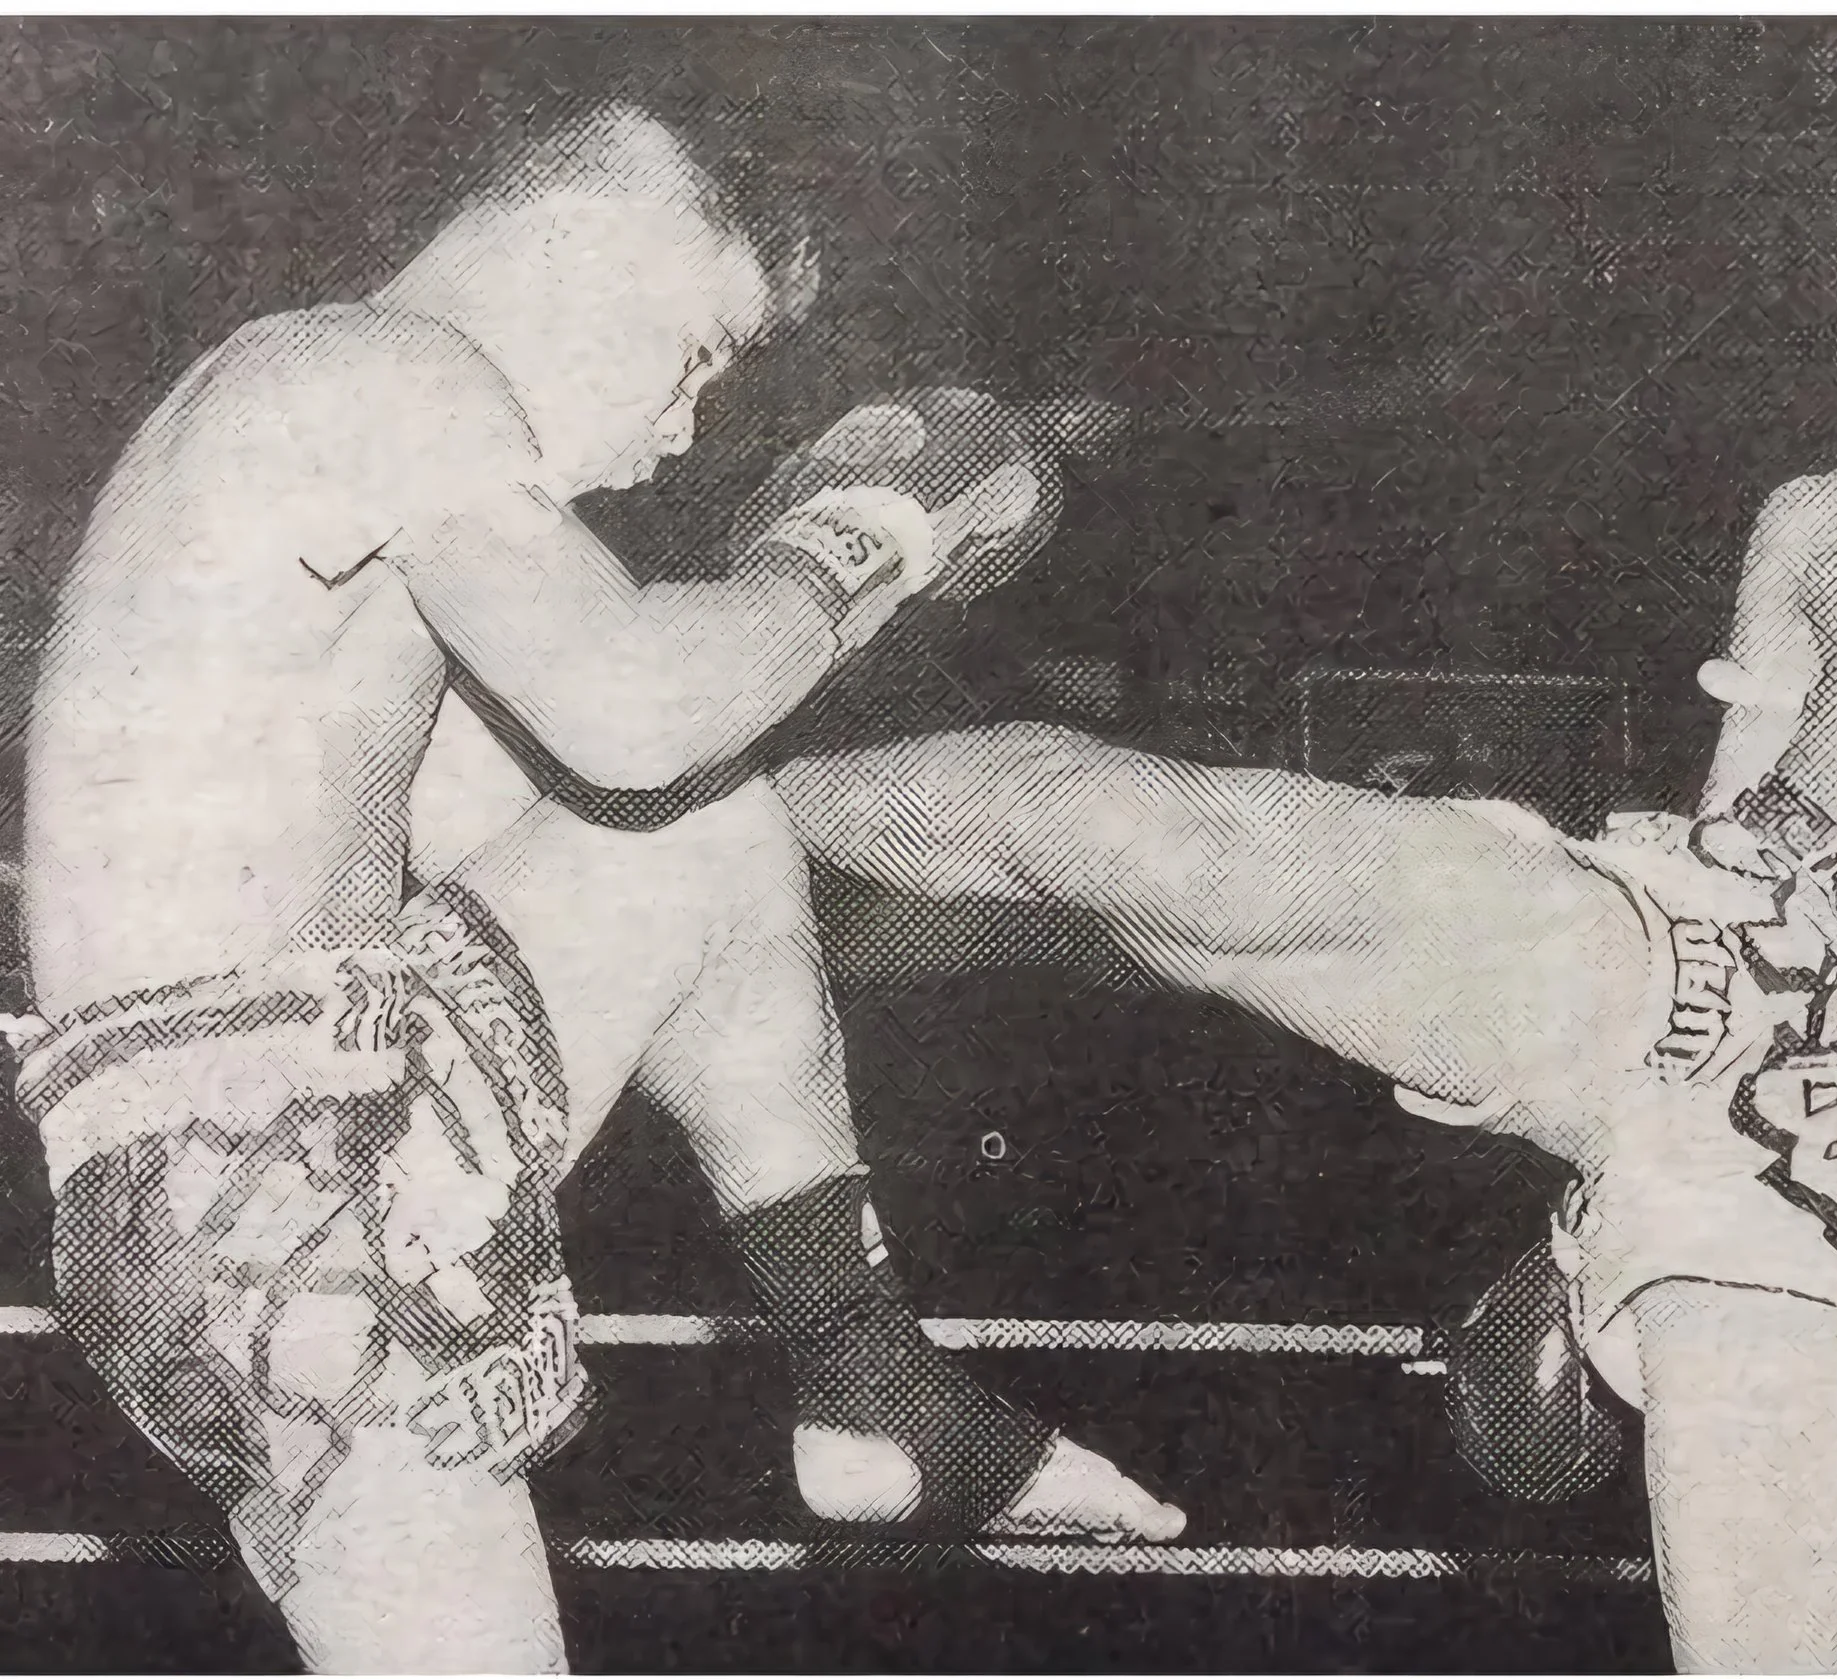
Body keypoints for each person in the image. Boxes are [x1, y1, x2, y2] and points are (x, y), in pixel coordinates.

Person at [763, 120, 1837, 1671]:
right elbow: (1733, 813)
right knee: (1160, 840)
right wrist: (1597, 1129)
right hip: (1666, 945)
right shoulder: (1827, 516)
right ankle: (685, 782)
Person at [18, 102, 1171, 1677]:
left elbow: (629, 805)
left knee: (705, 827)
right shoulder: (376, 373)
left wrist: (1025, 837)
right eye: (698, 351)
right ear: (586, 238)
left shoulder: (318, 456)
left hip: (307, 1118)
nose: (681, 432)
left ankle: (862, 1359)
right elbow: (635, 709)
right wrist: (866, 535)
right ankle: (866, 1372)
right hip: (268, 1174)